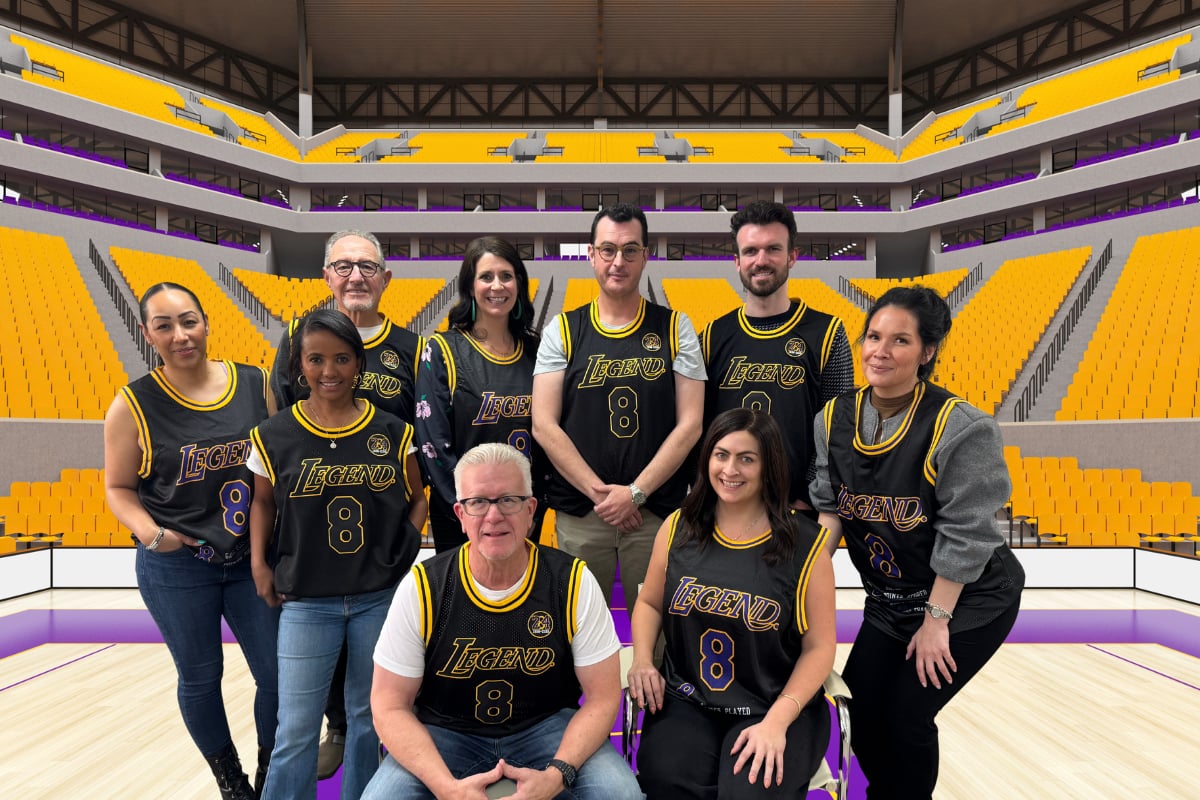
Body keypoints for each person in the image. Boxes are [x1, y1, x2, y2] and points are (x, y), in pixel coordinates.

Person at [809, 286, 1025, 800]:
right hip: (890, 601)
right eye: (873, 337)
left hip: (969, 599)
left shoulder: (962, 427)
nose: (880, 351)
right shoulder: (832, 419)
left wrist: (936, 621)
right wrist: (801, 578)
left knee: (907, 715)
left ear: (927, 351)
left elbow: (965, 535)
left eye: (900, 340)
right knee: (861, 710)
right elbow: (830, 510)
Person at [361, 443, 642, 800]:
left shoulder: (572, 581)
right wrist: (447, 788)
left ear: (531, 510)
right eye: (478, 502)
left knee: (619, 793)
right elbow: (388, 705)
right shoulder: (422, 587)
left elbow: (602, 698)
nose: (494, 516)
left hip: (547, 726)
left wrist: (557, 775)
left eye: (509, 500)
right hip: (446, 732)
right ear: (460, 515)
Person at [104, 282, 278, 800]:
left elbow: (278, 466)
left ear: (205, 322)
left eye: (188, 321)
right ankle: (232, 783)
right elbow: (118, 487)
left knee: (277, 676)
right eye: (164, 325)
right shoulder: (132, 405)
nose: (180, 335)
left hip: (250, 558)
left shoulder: (255, 384)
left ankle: (271, 774)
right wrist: (151, 533)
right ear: (147, 333)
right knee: (201, 677)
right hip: (178, 566)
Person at [249, 309, 428, 800]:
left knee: (369, 719)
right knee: (296, 728)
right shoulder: (273, 435)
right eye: (316, 359)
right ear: (299, 366)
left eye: (342, 358)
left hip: (376, 598)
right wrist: (259, 563)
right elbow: (262, 503)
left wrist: (404, 547)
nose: (329, 371)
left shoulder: (393, 431)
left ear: (359, 363)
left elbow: (418, 498)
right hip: (306, 601)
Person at [627, 408, 836, 799]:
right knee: (668, 782)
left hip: (772, 704)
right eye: (721, 455)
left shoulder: (806, 545)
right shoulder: (677, 527)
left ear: (769, 466)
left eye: (747, 459)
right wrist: (641, 659)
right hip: (690, 699)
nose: (730, 469)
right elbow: (651, 603)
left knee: (748, 791)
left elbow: (820, 647)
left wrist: (777, 722)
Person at [532, 203, 706, 615]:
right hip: (582, 511)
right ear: (591, 255)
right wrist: (606, 497)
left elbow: (691, 423)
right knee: (577, 627)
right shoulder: (562, 329)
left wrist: (636, 494)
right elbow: (543, 424)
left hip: (654, 513)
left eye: (630, 250)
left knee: (657, 631)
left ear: (645, 256)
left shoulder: (675, 327)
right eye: (608, 250)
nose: (618, 261)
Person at [700, 201, 853, 509]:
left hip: (795, 507)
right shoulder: (711, 336)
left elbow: (838, 428)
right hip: (725, 504)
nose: (761, 260)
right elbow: (698, 428)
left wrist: (807, 496)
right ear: (737, 261)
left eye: (773, 249)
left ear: (792, 256)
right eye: (750, 251)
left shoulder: (827, 333)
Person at [415, 236, 546, 552]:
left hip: (522, 515)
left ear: (519, 284)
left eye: (506, 276)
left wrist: (530, 506)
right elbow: (433, 445)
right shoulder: (442, 350)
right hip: (461, 517)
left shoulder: (537, 352)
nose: (497, 286)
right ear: (470, 287)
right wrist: (472, 511)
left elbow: (549, 437)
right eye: (486, 276)